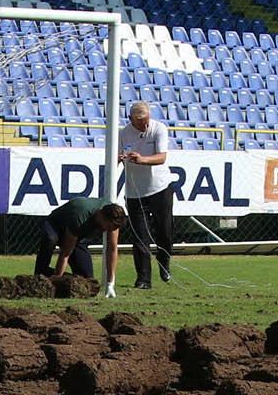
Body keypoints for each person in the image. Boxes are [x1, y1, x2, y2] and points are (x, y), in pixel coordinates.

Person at [117, 100, 175, 290]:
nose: (144, 124)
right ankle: (143, 279)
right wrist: (118, 158)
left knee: (164, 231)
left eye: (146, 119)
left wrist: (141, 160)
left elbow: (162, 157)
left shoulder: (159, 129)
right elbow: (114, 157)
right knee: (140, 236)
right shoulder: (123, 134)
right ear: (130, 119)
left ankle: (164, 262)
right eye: (139, 121)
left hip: (160, 188)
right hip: (135, 192)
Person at [36, 195, 127, 286]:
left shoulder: (114, 220)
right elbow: (65, 253)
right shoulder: (81, 216)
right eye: (108, 227)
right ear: (101, 216)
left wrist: (110, 283)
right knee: (50, 238)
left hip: (78, 237)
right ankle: (40, 273)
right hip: (55, 226)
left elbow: (112, 249)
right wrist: (57, 278)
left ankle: (50, 275)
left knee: (87, 281)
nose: (109, 230)